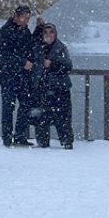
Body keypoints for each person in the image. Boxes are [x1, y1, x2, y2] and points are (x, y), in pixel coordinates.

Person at [0, 4, 41, 147]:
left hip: (23, 75)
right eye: (23, 17)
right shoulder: (4, 32)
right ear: (15, 16)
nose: (25, 20)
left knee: (25, 104)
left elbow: (31, 46)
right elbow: (5, 55)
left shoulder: (25, 31)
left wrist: (39, 29)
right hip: (8, 74)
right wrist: (23, 62)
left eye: (28, 18)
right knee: (8, 106)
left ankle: (20, 135)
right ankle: (7, 137)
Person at [28, 21, 75, 149]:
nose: (48, 35)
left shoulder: (61, 47)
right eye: (46, 32)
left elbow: (68, 65)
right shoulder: (36, 47)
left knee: (63, 116)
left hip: (60, 88)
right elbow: (30, 60)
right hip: (41, 87)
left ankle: (67, 142)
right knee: (41, 117)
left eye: (51, 32)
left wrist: (52, 64)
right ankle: (42, 142)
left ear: (55, 34)